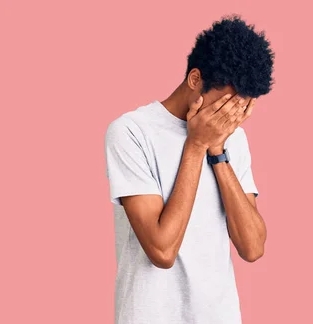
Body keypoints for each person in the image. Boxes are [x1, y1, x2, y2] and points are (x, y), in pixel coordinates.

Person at [104, 15, 274, 324]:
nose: (231, 117)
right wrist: (195, 146)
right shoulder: (131, 132)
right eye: (225, 105)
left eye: (241, 109)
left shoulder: (232, 138)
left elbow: (252, 247)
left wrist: (217, 151)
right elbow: (162, 250)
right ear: (195, 79)